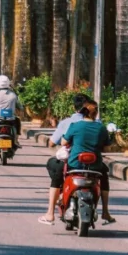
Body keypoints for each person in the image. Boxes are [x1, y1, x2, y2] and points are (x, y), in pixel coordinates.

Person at [62, 100, 114, 224]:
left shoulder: (75, 126)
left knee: (60, 172)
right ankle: (105, 211)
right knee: (104, 178)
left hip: (75, 164)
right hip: (95, 166)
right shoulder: (101, 128)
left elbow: (63, 142)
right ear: (96, 113)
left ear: (82, 112)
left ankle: (58, 201)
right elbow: (107, 148)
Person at [39, 92, 87, 224]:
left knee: (56, 173)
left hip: (71, 162)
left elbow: (54, 142)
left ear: (74, 107)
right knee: (103, 174)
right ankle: (106, 211)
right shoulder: (97, 123)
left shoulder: (69, 123)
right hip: (92, 163)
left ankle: (50, 212)